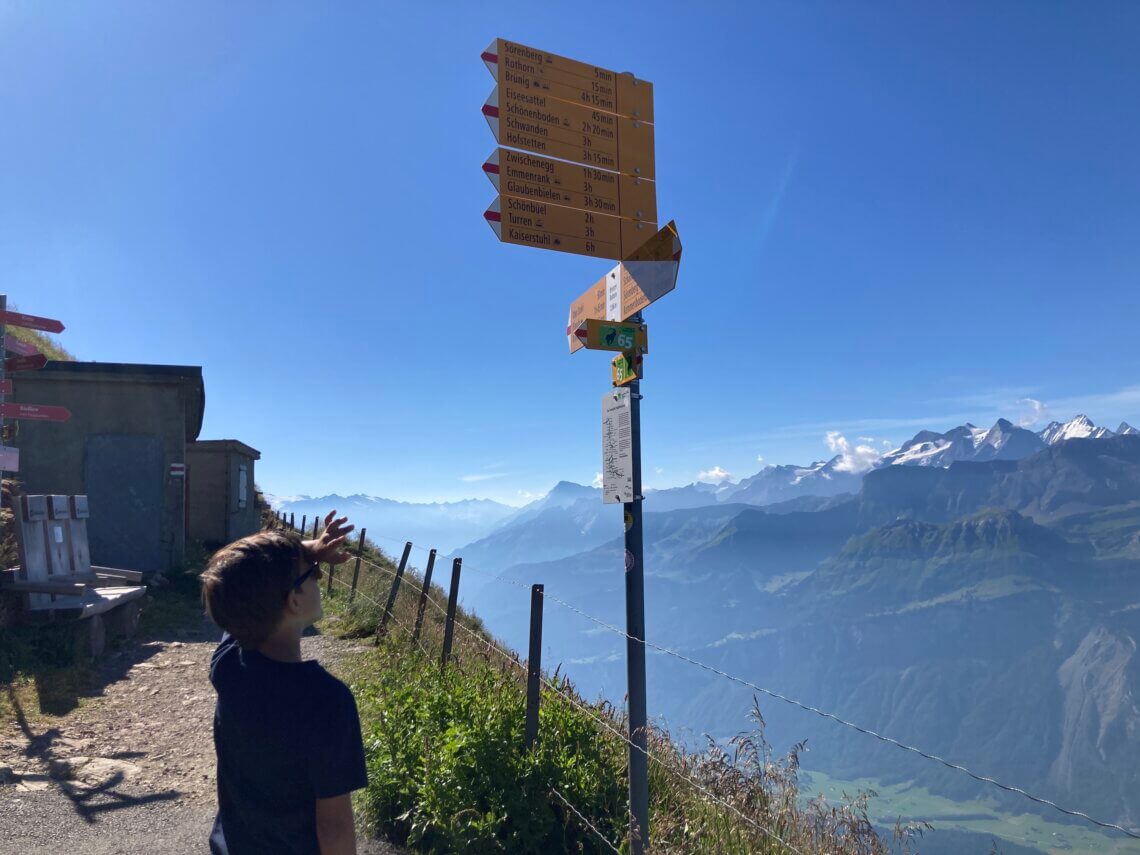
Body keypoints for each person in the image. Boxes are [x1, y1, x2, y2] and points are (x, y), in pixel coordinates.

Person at [199, 511, 365, 855]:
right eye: (312, 575)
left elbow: (236, 582)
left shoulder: (229, 665)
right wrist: (306, 552)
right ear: (294, 601)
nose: (318, 576)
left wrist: (309, 552)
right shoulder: (327, 701)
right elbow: (333, 826)